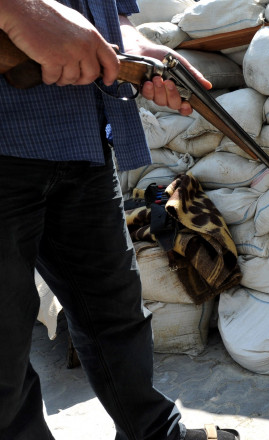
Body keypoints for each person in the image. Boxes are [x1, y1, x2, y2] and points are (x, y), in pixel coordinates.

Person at [0, 0, 239, 439]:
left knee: (116, 313)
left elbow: (113, 16)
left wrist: (134, 52)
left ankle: (152, 434)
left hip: (83, 137)